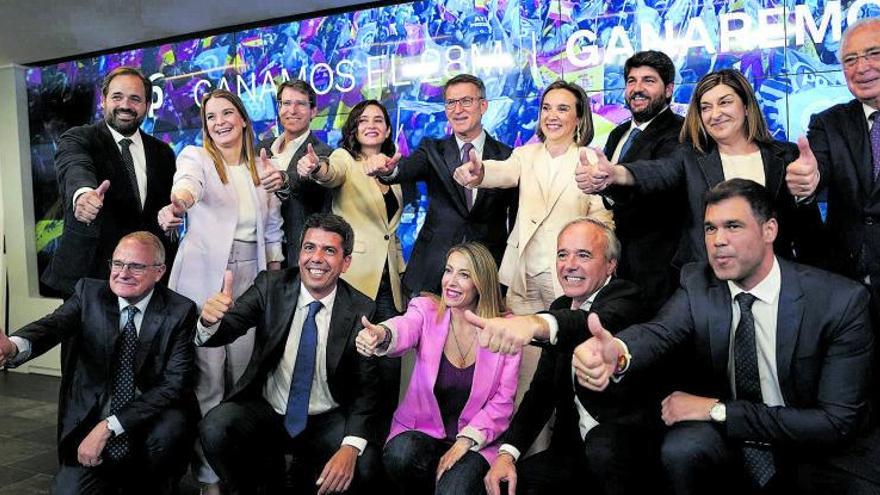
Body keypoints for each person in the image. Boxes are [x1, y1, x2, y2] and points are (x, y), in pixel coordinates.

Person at [473, 179, 876, 493]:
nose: (718, 241)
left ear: (770, 229)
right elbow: (658, 332)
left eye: (733, 226)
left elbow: (835, 422)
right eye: (710, 229)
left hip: (814, 443)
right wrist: (621, 354)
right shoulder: (699, 283)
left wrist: (717, 410)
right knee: (683, 448)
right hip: (727, 441)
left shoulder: (841, 302)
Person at [0, 232, 198, 494]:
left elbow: (174, 385)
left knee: (167, 435)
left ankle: (156, 483)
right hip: (93, 415)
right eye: (117, 263)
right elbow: (52, 326)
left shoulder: (180, 310)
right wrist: (14, 346)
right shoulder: (89, 293)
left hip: (150, 421)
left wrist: (110, 426)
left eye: (136, 266)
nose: (123, 273)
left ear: (159, 271)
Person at [197, 213, 382, 495]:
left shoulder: (362, 309)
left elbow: (367, 390)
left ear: (346, 263)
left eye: (329, 250)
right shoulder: (271, 286)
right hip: (269, 410)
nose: (316, 258)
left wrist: (349, 446)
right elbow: (228, 328)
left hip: (327, 417)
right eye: (309, 247)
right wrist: (210, 321)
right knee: (216, 427)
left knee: (365, 464)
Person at [156, 88, 284, 493]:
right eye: (211, 116)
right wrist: (179, 203)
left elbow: (271, 230)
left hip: (252, 278)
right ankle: (208, 478)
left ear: (244, 118)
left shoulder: (262, 166)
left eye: (228, 113)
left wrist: (275, 284)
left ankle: (238, 470)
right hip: (203, 278)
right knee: (207, 382)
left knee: (244, 379)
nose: (220, 121)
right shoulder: (197, 157)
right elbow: (186, 185)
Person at [577, 69, 822, 272]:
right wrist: (616, 174)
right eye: (706, 107)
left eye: (725, 102)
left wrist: (807, 192)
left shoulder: (786, 156)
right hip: (708, 285)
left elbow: (807, 229)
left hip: (777, 279)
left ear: (746, 106)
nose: (715, 114)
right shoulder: (689, 158)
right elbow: (656, 172)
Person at [483, 218, 656, 495]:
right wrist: (507, 455)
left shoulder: (626, 295)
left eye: (583, 255)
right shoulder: (560, 305)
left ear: (611, 264)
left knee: (603, 449)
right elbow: (541, 392)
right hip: (572, 451)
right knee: (512, 484)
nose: (569, 264)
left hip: (622, 452)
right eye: (563, 254)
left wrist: (534, 324)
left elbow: (586, 321)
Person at [356, 242, 520, 495]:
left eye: (464, 275)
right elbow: (404, 327)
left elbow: (503, 402)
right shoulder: (426, 309)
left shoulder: (505, 329)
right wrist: (383, 334)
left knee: (452, 491)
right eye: (448, 271)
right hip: (423, 432)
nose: (451, 282)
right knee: (400, 455)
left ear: (481, 283)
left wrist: (465, 441)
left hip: (477, 442)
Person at [453, 80, 613, 315]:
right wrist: (480, 173)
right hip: (522, 274)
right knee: (521, 344)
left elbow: (602, 221)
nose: (551, 116)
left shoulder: (590, 160)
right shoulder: (524, 154)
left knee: (562, 341)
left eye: (562, 109)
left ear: (579, 118)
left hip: (566, 274)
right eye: (546, 108)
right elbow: (504, 171)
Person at [364, 74, 517, 296]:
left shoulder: (507, 156)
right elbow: (405, 169)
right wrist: (389, 171)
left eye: (466, 101)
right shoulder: (432, 149)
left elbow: (514, 221)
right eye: (451, 103)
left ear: (483, 105)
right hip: (433, 268)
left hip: (487, 269)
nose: (458, 109)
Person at [41, 67, 177, 298]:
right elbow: (75, 167)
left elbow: (165, 210)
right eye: (117, 97)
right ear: (103, 101)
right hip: (90, 278)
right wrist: (83, 195)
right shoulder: (78, 138)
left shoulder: (163, 152)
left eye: (135, 99)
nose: (125, 105)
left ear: (146, 105)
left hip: (149, 283)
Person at [792, 18, 880, 304]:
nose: (862, 67)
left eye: (873, 54)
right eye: (850, 60)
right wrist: (807, 182)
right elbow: (816, 172)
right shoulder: (829, 123)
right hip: (851, 289)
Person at [298, 99, 405, 321]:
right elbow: (331, 173)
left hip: (389, 285)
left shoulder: (392, 171)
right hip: (355, 279)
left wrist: (401, 273)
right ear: (354, 130)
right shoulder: (344, 158)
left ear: (387, 131)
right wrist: (317, 167)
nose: (371, 125)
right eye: (363, 121)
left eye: (378, 120)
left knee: (388, 350)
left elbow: (389, 232)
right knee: (355, 352)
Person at [603, 50, 686, 312]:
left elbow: (662, 177)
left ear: (669, 90)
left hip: (661, 269)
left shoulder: (681, 132)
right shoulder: (618, 133)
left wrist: (615, 176)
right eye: (631, 81)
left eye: (648, 81)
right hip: (619, 266)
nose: (637, 89)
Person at [256, 79, 334, 264]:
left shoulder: (322, 153)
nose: (292, 110)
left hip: (298, 254)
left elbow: (306, 181)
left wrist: (283, 179)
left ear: (313, 111)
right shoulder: (262, 148)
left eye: (300, 104)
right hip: (260, 251)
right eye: (286, 103)